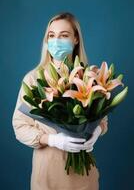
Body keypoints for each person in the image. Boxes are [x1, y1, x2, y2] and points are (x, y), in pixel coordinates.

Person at [12, 12, 108, 190]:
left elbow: (102, 118)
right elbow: (19, 126)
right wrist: (51, 140)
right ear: (46, 40)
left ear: (76, 39)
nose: (56, 41)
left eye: (64, 35)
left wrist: (96, 132)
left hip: (84, 176)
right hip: (47, 174)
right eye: (52, 35)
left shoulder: (89, 75)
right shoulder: (33, 79)